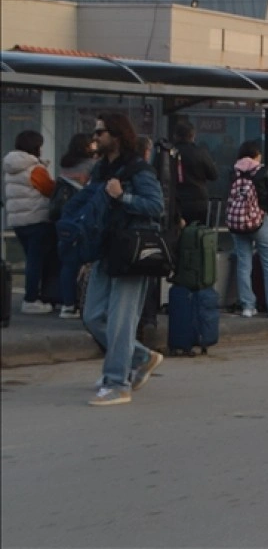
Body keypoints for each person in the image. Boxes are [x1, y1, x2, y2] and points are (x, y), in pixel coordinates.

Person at [65, 114, 166, 406]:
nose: (95, 137)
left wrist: (123, 197)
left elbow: (156, 206)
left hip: (131, 251)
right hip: (104, 249)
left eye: (101, 132)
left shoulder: (138, 169)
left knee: (120, 321)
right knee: (92, 315)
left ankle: (117, 383)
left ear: (117, 136)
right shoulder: (101, 169)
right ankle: (140, 356)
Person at [4, 130, 58, 315]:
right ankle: (31, 299)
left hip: (19, 222)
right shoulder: (35, 169)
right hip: (36, 219)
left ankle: (34, 296)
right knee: (36, 261)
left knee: (32, 259)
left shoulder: (12, 166)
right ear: (35, 147)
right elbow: (50, 190)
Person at [229, 141, 268, 319]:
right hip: (260, 220)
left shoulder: (234, 171)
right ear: (256, 155)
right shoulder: (262, 171)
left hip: (238, 222)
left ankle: (247, 306)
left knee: (243, 264)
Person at [52, 133, 98, 318]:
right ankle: (79, 302)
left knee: (68, 262)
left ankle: (67, 303)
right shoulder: (92, 165)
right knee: (84, 261)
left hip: (64, 215)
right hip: (82, 216)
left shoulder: (65, 164)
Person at [170, 120, 218, 226]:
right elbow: (213, 175)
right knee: (199, 233)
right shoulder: (201, 153)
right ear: (193, 136)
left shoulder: (169, 153)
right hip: (199, 201)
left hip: (175, 202)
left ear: (175, 136)